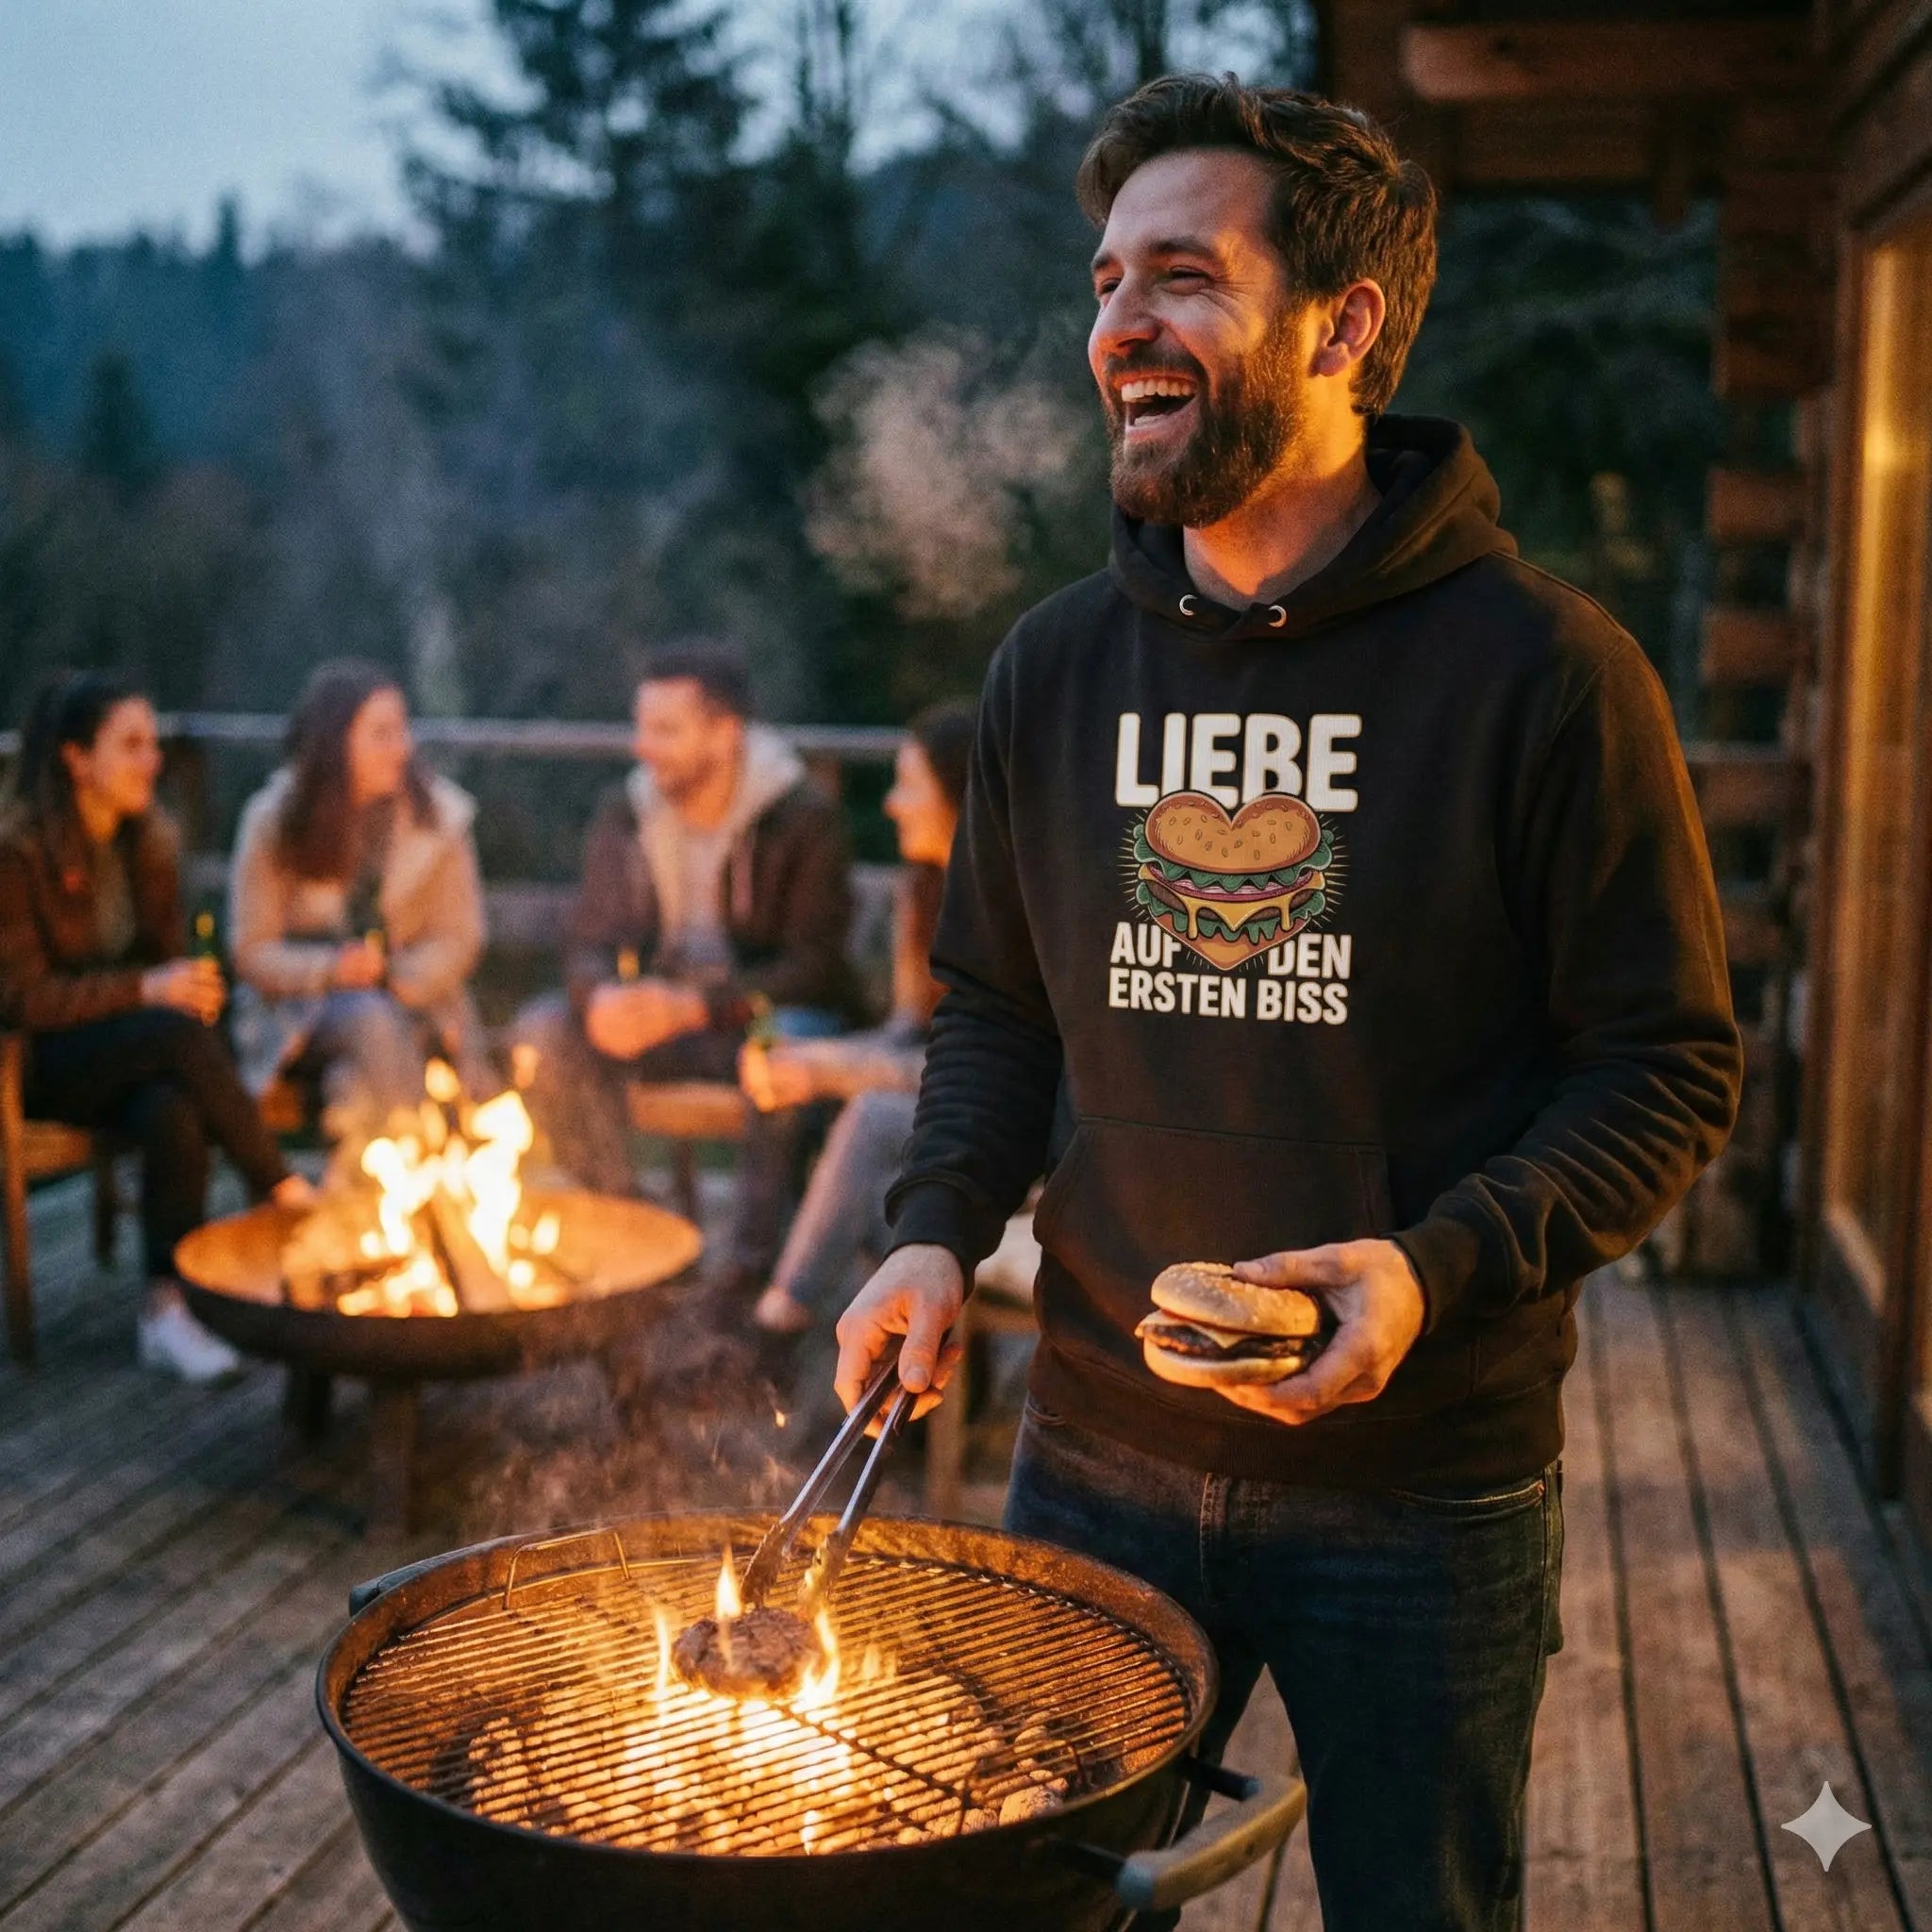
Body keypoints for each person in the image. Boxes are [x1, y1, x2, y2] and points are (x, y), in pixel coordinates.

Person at [831, 76, 1742, 1932]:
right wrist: (932, 1234)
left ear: (1343, 325)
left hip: (1418, 1492)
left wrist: (1435, 1267)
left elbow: (1663, 1065)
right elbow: (999, 1008)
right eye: (1102, 283)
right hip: (1090, 1449)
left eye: (1181, 276)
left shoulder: (1548, 676)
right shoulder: (1051, 670)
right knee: (1030, 1913)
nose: (1117, 331)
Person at [516, 643, 857, 1292]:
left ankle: (752, 1281)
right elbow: (587, 941)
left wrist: (701, 1006)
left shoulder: (801, 816)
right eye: (641, 726)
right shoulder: (626, 812)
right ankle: (635, 1235)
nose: (643, 747)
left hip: (746, 1020)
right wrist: (601, 1000)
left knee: (788, 1047)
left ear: (725, 735)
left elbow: (817, 967)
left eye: (665, 730)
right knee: (544, 1031)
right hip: (657, 1022)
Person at [0, 673, 310, 1381]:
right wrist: (147, 990)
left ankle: (168, 1313)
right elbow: (23, 999)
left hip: (136, 1056)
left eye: (153, 743)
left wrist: (183, 988)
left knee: (171, 1108)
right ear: (78, 761)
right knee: (170, 1034)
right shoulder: (17, 855)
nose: (153, 760)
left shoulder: (147, 845)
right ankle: (279, 1185)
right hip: (45, 1065)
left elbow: (166, 966)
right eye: (131, 745)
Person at [740, 700, 975, 1358]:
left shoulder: (1018, 906)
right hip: (933, 1105)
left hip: (1010, 1119)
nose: (893, 804)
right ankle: (912, 1361)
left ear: (958, 795)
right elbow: (910, 1033)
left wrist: (829, 1069)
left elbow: (981, 1066)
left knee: (871, 1117)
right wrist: (813, 1056)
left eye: (909, 786)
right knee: (869, 1180)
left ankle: (775, 1328)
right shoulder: (923, 892)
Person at [229, 660, 489, 1154]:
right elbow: (251, 949)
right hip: (298, 1016)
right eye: (382, 734)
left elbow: (461, 935)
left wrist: (400, 978)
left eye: (402, 730)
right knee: (370, 1021)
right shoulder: (276, 820)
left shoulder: (438, 818)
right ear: (336, 742)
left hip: (416, 1002)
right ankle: (426, 1173)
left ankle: (385, 1202)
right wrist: (334, 969)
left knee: (356, 1082)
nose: (403, 747)